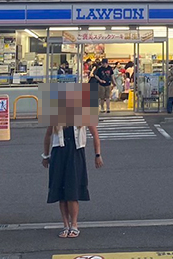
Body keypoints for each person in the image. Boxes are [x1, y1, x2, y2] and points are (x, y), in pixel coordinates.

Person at [42, 91, 103, 239]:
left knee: (72, 190)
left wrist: (97, 155)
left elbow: (95, 134)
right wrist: (45, 156)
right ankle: (65, 225)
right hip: (59, 155)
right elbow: (48, 136)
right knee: (61, 192)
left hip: (76, 155)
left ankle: (74, 225)